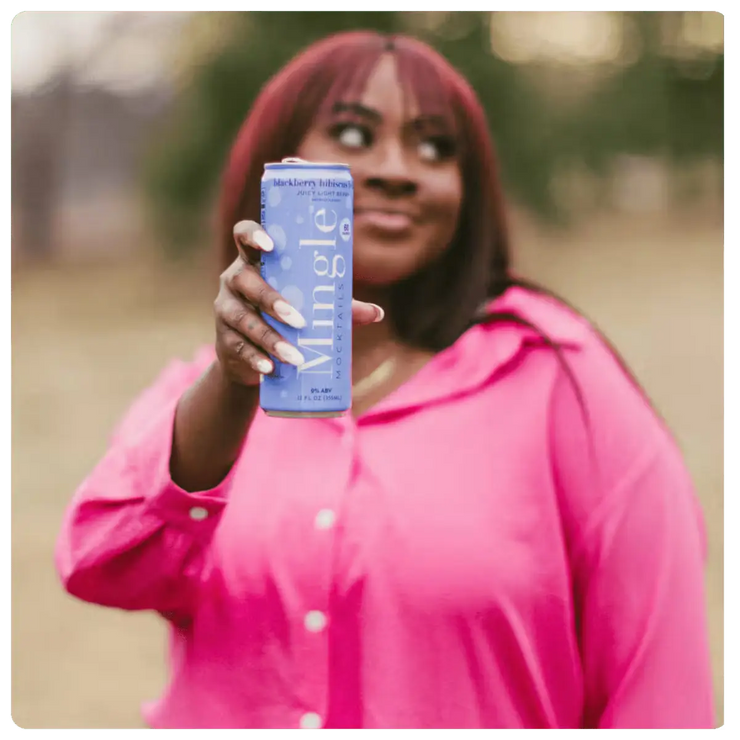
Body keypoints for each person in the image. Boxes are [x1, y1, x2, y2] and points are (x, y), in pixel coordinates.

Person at [54, 30, 716, 731]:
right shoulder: (200, 402)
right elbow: (100, 566)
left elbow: (659, 684)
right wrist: (232, 388)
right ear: (275, 168)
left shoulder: (564, 382)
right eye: (352, 132)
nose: (398, 169)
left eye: (435, 146)